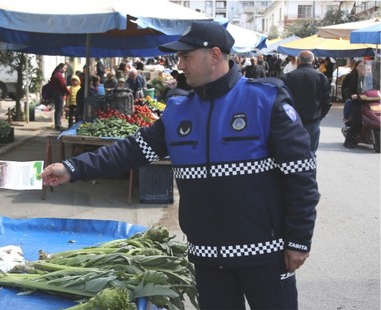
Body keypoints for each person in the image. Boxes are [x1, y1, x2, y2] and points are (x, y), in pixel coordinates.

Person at [41, 21, 318, 309]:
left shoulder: (265, 99)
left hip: (265, 254)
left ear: (213, 55)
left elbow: (300, 175)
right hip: (208, 257)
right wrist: (72, 168)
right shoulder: (178, 111)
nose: (180, 64)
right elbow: (130, 151)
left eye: (186, 57)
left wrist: (298, 239)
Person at [282, 50, 332, 153]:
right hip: (313, 119)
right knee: (311, 152)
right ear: (313, 61)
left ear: (298, 61)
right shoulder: (321, 77)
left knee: (293, 151)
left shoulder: (288, 77)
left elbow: (281, 100)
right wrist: (320, 115)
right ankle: (310, 168)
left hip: (293, 120)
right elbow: (327, 100)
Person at [342, 61, 373, 148]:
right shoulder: (356, 80)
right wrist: (353, 95)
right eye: (366, 70)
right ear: (361, 71)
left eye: (369, 70)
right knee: (357, 122)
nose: (368, 72)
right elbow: (349, 91)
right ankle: (348, 141)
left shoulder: (374, 80)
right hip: (359, 104)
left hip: (372, 103)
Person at [50, 63, 71, 131]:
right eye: (64, 68)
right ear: (60, 67)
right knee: (59, 109)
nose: (65, 70)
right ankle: (58, 125)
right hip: (59, 94)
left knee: (58, 109)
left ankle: (58, 124)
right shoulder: (58, 75)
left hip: (56, 93)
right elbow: (63, 85)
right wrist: (68, 92)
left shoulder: (55, 73)